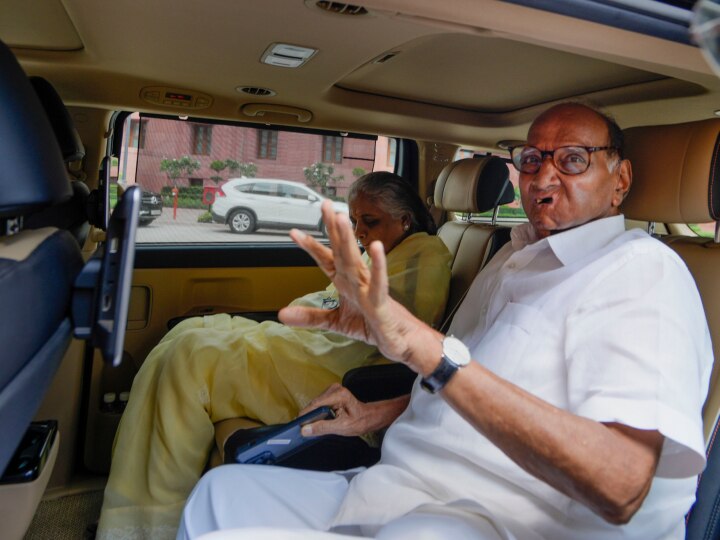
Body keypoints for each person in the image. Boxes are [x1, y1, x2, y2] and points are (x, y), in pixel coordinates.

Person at [177, 103, 714, 540]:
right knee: (219, 496)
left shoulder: (642, 273)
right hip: (402, 485)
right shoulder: (512, 257)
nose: (544, 176)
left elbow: (621, 483)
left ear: (620, 180)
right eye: (531, 159)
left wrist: (426, 349)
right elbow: (481, 381)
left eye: (573, 159)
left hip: (497, 518)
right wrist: (375, 413)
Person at [96, 172, 452, 540]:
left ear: (404, 220)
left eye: (370, 222)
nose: (359, 231)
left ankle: (154, 525)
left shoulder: (426, 258)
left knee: (190, 357)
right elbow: (337, 301)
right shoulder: (382, 252)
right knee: (187, 332)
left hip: (339, 366)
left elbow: (399, 334)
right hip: (311, 344)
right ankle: (140, 511)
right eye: (355, 220)